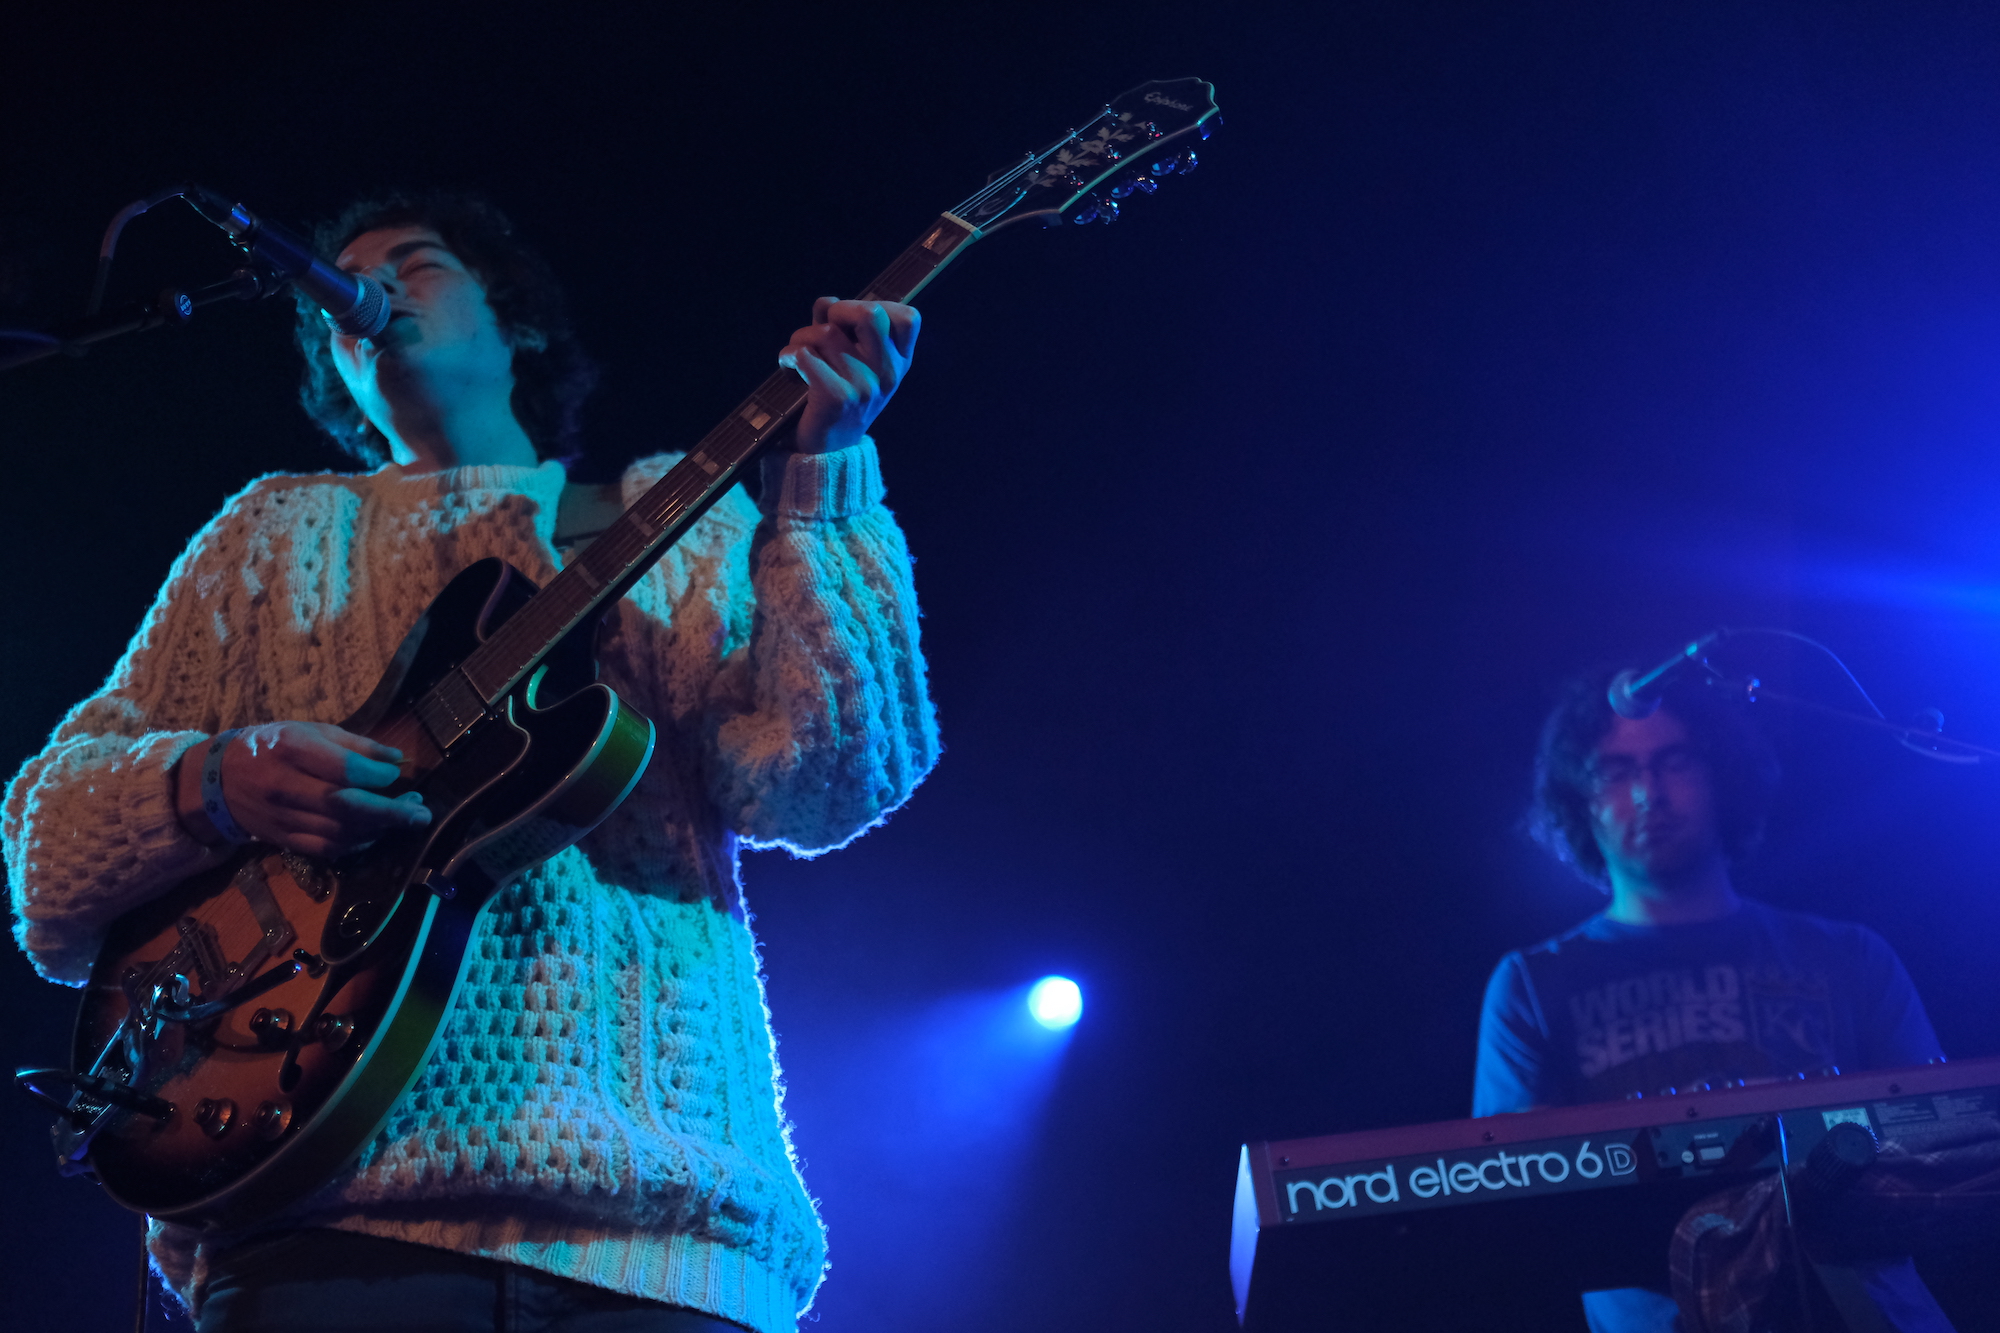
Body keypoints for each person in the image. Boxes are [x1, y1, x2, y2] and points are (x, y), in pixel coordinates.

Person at [4, 192, 940, 1333]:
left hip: (669, 1241)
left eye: (416, 263)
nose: (369, 291)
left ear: (517, 324)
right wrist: (211, 780)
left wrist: (824, 481)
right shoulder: (270, 537)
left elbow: (827, 786)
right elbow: (45, 855)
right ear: (337, 371)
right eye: (342, 287)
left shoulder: (668, 519)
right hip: (316, 1225)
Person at [1474, 670, 1951, 1332]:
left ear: (1722, 774)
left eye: (1674, 761)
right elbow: (1517, 1204)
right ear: (1578, 800)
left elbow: (1947, 1148)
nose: (1648, 793)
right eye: (1615, 771)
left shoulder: (1851, 956)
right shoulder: (1531, 983)